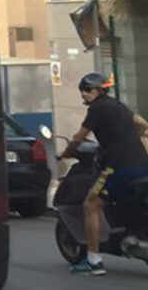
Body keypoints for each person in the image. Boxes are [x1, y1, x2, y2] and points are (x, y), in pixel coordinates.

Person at [59, 71, 148, 276]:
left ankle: (93, 261)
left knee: (91, 203)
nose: (84, 94)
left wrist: (66, 153)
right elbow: (143, 125)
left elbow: (79, 137)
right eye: (82, 90)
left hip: (117, 167)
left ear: (100, 90)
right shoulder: (119, 106)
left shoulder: (97, 109)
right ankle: (134, 235)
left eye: (88, 90)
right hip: (142, 165)